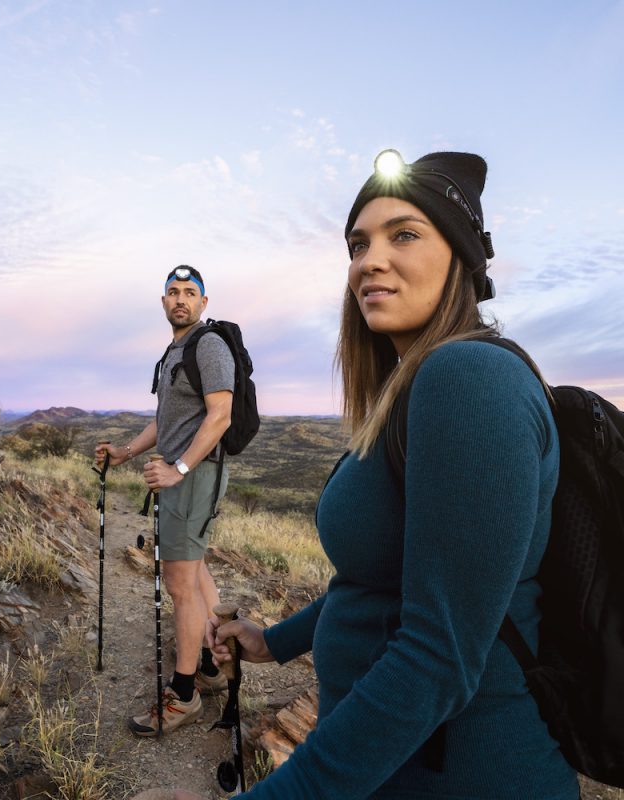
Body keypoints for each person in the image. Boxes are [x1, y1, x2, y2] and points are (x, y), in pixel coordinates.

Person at [174, 151, 579, 798]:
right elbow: (378, 580)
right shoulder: (409, 389)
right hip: (396, 770)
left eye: (405, 235)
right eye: (358, 243)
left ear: (463, 257)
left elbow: (438, 657)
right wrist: (272, 642)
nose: (369, 260)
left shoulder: (468, 380)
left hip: (462, 777)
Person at [96, 265, 235, 737]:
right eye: (173, 292)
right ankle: (214, 671)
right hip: (184, 478)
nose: (180, 299)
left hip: (193, 478)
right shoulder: (173, 352)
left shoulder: (208, 345)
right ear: (163, 302)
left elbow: (220, 416)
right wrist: (126, 453)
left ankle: (184, 694)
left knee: (178, 585)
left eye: (189, 293)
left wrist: (177, 470)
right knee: (194, 573)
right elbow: (164, 420)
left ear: (203, 302)